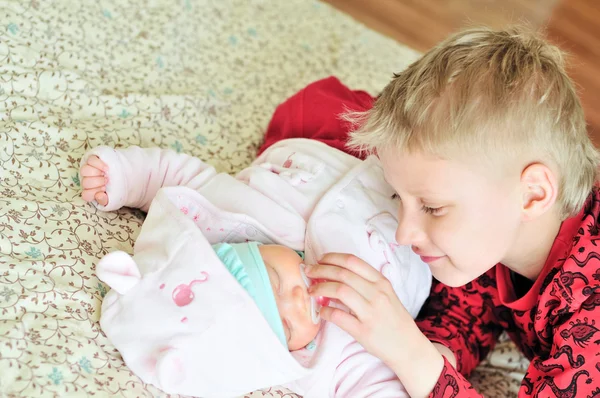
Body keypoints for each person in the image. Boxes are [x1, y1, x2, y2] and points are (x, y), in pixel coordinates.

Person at [261, 27, 600, 397]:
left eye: (433, 208)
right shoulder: (502, 236)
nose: (404, 234)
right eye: (399, 197)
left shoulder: (590, 309)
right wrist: (439, 350)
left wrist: (410, 353)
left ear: (533, 195)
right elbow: (469, 308)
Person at [79, 137, 431, 397]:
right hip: (411, 224)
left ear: (247, 249)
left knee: (316, 103)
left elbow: (175, 175)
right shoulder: (337, 347)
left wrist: (126, 177)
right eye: (290, 329)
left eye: (277, 282)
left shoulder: (229, 209)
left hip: (328, 151)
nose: (299, 301)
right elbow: (373, 385)